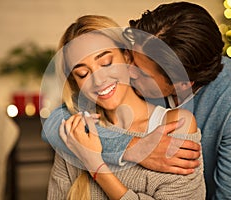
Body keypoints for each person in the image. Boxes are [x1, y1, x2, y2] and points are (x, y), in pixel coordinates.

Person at [42, 2, 231, 199]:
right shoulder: (135, 63)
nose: (128, 69)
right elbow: (57, 123)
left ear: (181, 83)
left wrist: (98, 165)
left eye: (139, 70)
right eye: (129, 56)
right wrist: (129, 149)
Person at [46, 15, 205, 199]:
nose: (98, 80)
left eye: (106, 63)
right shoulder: (77, 133)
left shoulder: (176, 124)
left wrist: (95, 164)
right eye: (83, 74)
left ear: (127, 58)